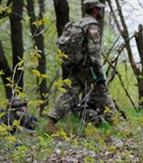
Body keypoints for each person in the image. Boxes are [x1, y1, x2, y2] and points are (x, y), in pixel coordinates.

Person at [45, 0, 115, 134]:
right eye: (99, 9)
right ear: (94, 10)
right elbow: (93, 50)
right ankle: (116, 123)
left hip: (76, 67)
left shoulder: (78, 23)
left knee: (68, 93)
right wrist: (99, 70)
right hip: (88, 68)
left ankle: (50, 122)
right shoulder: (92, 25)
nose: (101, 11)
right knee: (102, 93)